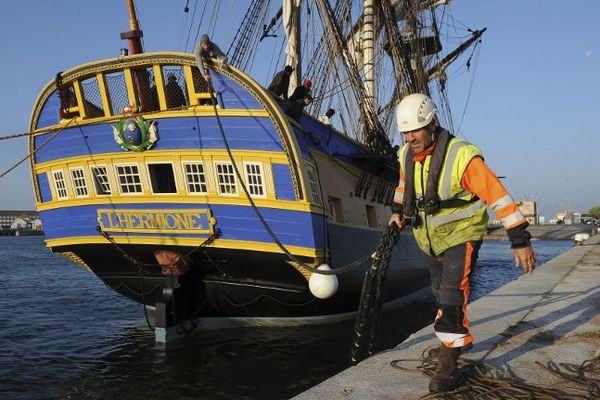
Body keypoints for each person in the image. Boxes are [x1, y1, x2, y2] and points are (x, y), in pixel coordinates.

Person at [388, 93, 536, 394]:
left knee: (452, 297)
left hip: (462, 234)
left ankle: (448, 363)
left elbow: (498, 195)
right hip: (430, 239)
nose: (411, 137)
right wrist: (396, 212)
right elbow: (405, 187)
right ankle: (459, 340)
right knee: (441, 293)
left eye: (416, 130)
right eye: (405, 132)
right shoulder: (406, 155)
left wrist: (519, 240)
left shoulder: (462, 156)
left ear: (432, 124)